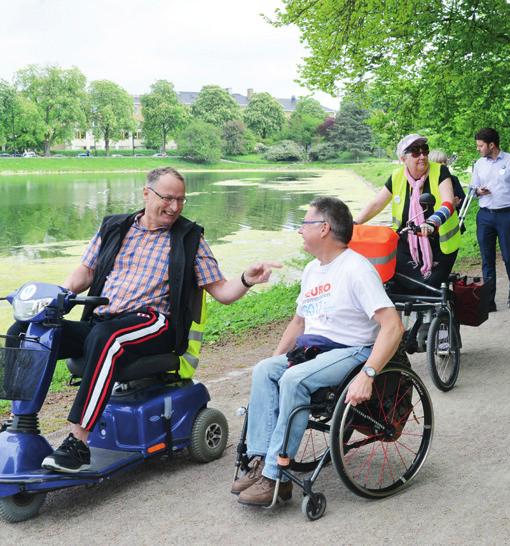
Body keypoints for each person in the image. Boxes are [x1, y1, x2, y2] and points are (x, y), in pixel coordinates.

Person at [8, 166, 280, 473]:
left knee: (106, 339)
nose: (175, 207)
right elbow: (85, 272)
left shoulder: (189, 238)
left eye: (181, 200)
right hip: (103, 321)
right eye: (168, 198)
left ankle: (78, 443)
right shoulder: (114, 227)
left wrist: (246, 278)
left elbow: (222, 291)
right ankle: (20, 425)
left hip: (153, 323)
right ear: (146, 193)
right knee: (26, 330)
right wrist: (56, 297)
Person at [231, 197, 403, 507]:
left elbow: (393, 326)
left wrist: (369, 374)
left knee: (294, 379)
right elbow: (298, 323)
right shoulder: (312, 270)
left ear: (324, 228)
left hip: (351, 350)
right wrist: (274, 360)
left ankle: (276, 477)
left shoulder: (356, 268)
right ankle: (260, 464)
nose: (299, 229)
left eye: (305, 223)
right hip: (314, 349)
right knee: (264, 370)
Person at [355, 134, 461, 293]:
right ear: (403, 158)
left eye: (425, 150)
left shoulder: (440, 171)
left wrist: (432, 222)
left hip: (440, 243)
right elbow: (376, 204)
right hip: (406, 242)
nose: (423, 156)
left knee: (430, 289)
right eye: (416, 152)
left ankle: (440, 315)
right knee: (393, 288)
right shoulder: (397, 177)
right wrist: (353, 224)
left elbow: (448, 202)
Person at [471, 128, 510, 311]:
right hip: (485, 215)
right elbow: (473, 188)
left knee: (509, 257)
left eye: (480, 145)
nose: (478, 149)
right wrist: (478, 191)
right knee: (487, 260)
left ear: (491, 145)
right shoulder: (479, 164)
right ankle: (490, 300)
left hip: (506, 215)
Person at [429, 149, 467, 233]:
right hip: (431, 222)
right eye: (439, 162)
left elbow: (463, 200)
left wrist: (457, 203)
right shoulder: (425, 181)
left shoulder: (453, 179)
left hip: (451, 222)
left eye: (444, 161)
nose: (443, 165)